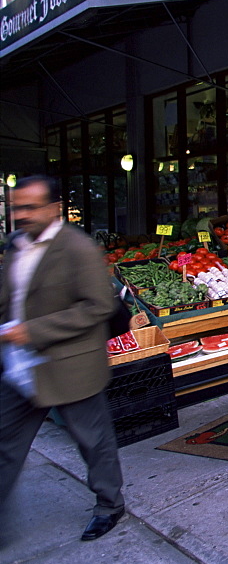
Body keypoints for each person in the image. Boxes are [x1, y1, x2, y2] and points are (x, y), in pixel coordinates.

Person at [0, 176, 125, 541]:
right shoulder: (15, 245)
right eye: (15, 207)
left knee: (92, 441)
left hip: (71, 366)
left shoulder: (77, 248)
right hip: (19, 367)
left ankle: (109, 504)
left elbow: (99, 305)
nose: (21, 215)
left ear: (54, 208)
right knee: (5, 440)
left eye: (29, 207)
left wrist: (32, 331)